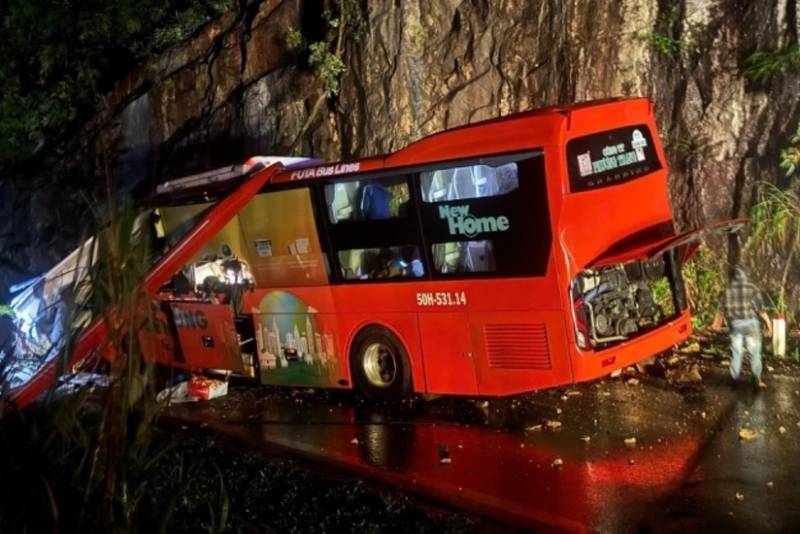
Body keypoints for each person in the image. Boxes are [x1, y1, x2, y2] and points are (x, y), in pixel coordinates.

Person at [711, 265, 772, 389]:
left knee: (736, 353)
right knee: (754, 353)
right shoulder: (752, 289)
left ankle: (735, 379)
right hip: (751, 325)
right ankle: (757, 381)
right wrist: (769, 325)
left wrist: (716, 325)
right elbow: (761, 310)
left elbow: (720, 311)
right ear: (745, 275)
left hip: (736, 326)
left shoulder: (727, 291)